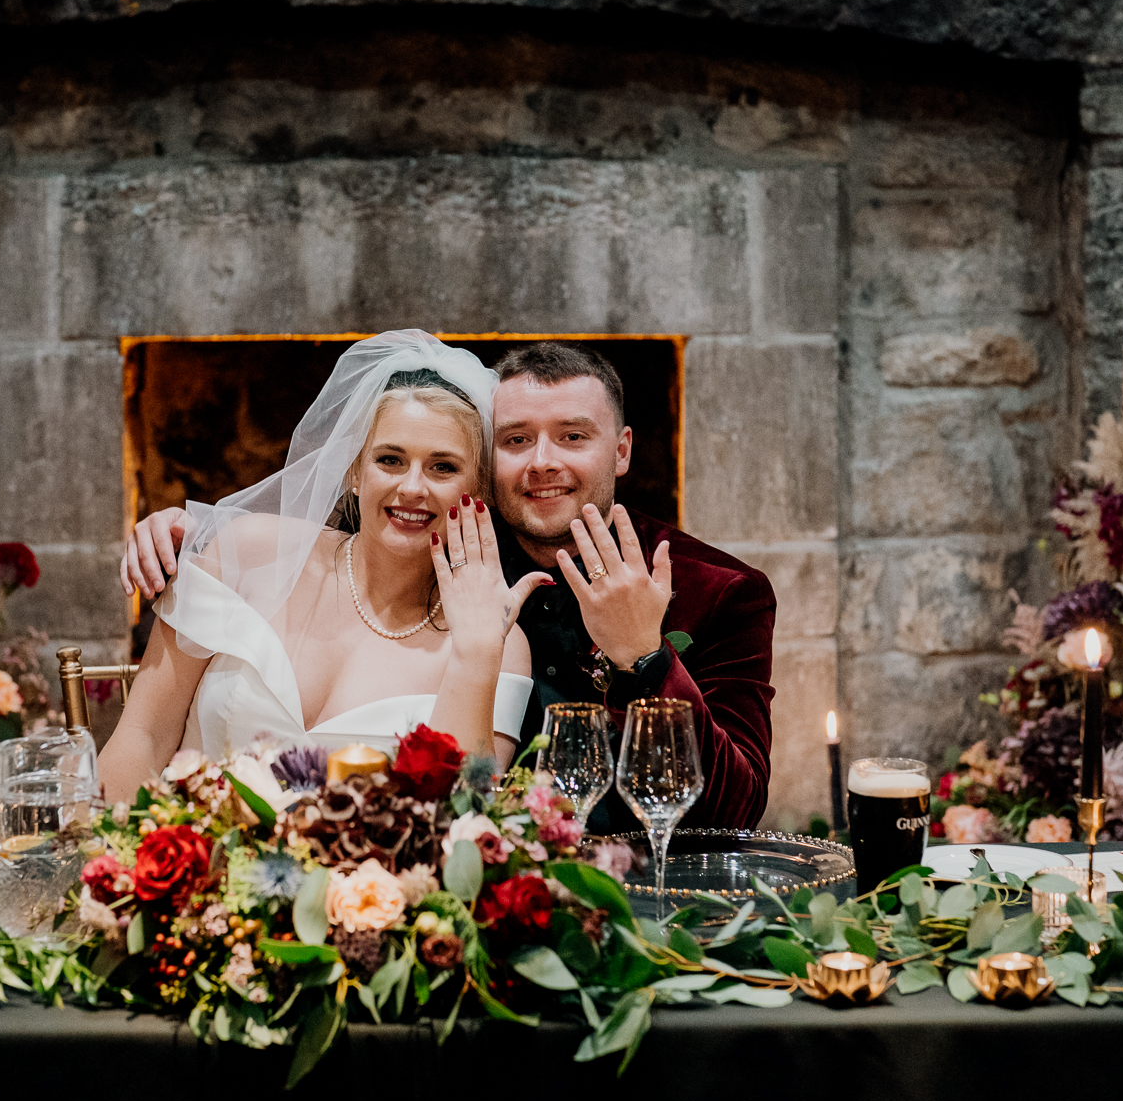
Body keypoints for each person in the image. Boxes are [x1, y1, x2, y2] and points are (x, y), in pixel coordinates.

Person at [122, 341, 776, 831]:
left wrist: (647, 658)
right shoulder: (437, 556)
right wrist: (190, 529)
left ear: (623, 449)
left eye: (572, 437)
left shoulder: (718, 590)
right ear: (491, 474)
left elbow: (736, 813)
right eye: (518, 439)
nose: (543, 462)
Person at [98, 331, 544, 806]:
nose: (413, 487)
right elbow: (142, 735)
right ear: (354, 470)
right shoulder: (248, 553)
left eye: (443, 468)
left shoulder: (500, 645)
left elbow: (467, 822)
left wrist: (474, 655)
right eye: (390, 460)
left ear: (476, 489)